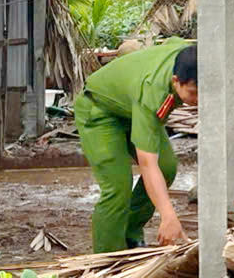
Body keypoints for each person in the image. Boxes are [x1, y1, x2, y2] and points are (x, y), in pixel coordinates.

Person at [75, 39, 198, 251]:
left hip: (132, 108)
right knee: (117, 188)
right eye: (193, 93)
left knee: (167, 167)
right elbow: (147, 164)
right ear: (176, 80)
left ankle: (130, 231)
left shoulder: (186, 57)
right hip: (101, 111)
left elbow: (173, 41)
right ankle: (108, 259)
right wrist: (168, 216)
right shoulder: (153, 91)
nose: (198, 100)